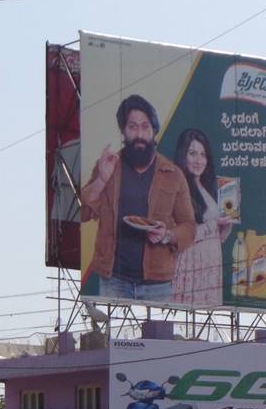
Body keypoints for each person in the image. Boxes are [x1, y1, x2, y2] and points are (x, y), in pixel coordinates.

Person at [80, 94, 196, 303]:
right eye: (133, 127)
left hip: (157, 284)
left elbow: (189, 226)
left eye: (145, 127)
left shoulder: (173, 174)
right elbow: (83, 213)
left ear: (154, 131)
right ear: (123, 131)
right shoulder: (108, 166)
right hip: (113, 279)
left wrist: (167, 235)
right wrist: (101, 180)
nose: (140, 134)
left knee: (158, 336)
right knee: (111, 336)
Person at [170, 128, 234, 306]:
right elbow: (179, 237)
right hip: (191, 262)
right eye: (192, 154)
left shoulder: (210, 189)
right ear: (183, 155)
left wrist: (227, 220)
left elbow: (217, 237)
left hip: (212, 262)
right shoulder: (178, 188)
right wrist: (214, 223)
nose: (199, 161)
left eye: (203, 154)